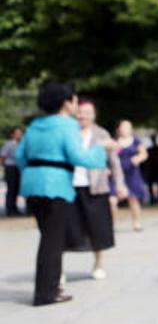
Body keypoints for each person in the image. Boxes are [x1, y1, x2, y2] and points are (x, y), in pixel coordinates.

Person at [15, 82, 115, 305]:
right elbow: (79, 156)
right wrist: (102, 148)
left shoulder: (35, 125)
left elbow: (21, 156)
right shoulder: (67, 125)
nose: (76, 104)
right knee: (53, 240)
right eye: (74, 100)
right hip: (55, 186)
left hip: (32, 185)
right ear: (65, 103)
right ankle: (46, 292)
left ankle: (50, 288)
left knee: (48, 237)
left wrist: (34, 173)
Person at [65, 99, 125, 280]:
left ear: (94, 115)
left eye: (88, 112)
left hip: (96, 187)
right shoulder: (69, 131)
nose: (83, 115)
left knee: (97, 227)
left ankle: (98, 264)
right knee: (66, 227)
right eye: (80, 112)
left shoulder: (101, 133)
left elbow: (114, 162)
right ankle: (59, 269)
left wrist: (120, 184)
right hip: (69, 186)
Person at [111, 120, 149, 232]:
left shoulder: (136, 141)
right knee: (112, 200)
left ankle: (136, 223)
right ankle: (112, 224)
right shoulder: (115, 142)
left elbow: (144, 154)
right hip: (118, 173)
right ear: (118, 129)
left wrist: (138, 158)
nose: (125, 130)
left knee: (133, 199)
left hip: (132, 173)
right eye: (123, 127)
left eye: (128, 127)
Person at [3, 126, 24, 217]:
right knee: (11, 189)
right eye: (17, 133)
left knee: (16, 188)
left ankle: (15, 208)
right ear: (12, 135)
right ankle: (9, 209)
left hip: (18, 167)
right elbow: (3, 156)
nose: (19, 135)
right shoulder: (9, 144)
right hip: (10, 167)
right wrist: (5, 167)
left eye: (20, 133)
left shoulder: (22, 144)